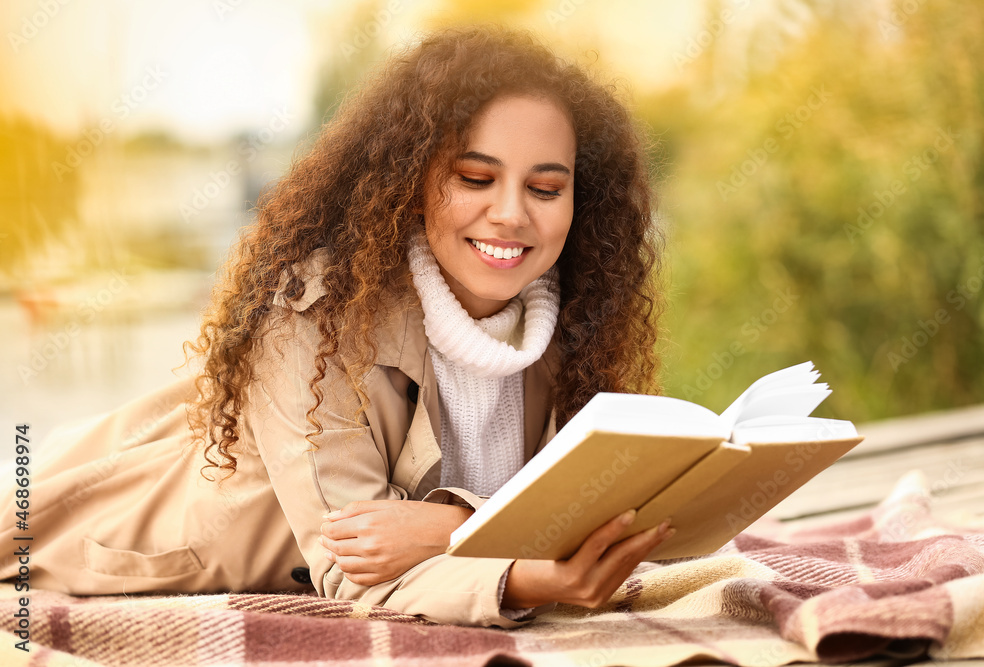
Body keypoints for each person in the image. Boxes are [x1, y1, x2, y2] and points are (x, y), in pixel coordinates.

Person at [1, 26, 670, 627]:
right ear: (414, 179)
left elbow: (574, 507)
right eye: (474, 177)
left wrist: (449, 529)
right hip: (84, 530)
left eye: (546, 188)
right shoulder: (316, 313)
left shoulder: (571, 324)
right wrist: (510, 558)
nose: (510, 214)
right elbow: (353, 562)